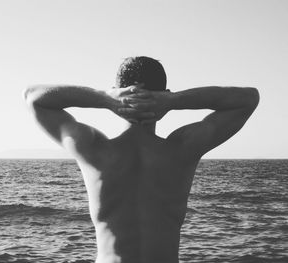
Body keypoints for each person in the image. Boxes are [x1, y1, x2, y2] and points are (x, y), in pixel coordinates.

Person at [24, 56, 259, 263]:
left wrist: (104, 98)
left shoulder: (93, 148)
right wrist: (173, 101)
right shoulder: (182, 149)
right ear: (165, 93)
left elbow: (33, 97)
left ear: (117, 90)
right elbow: (247, 99)